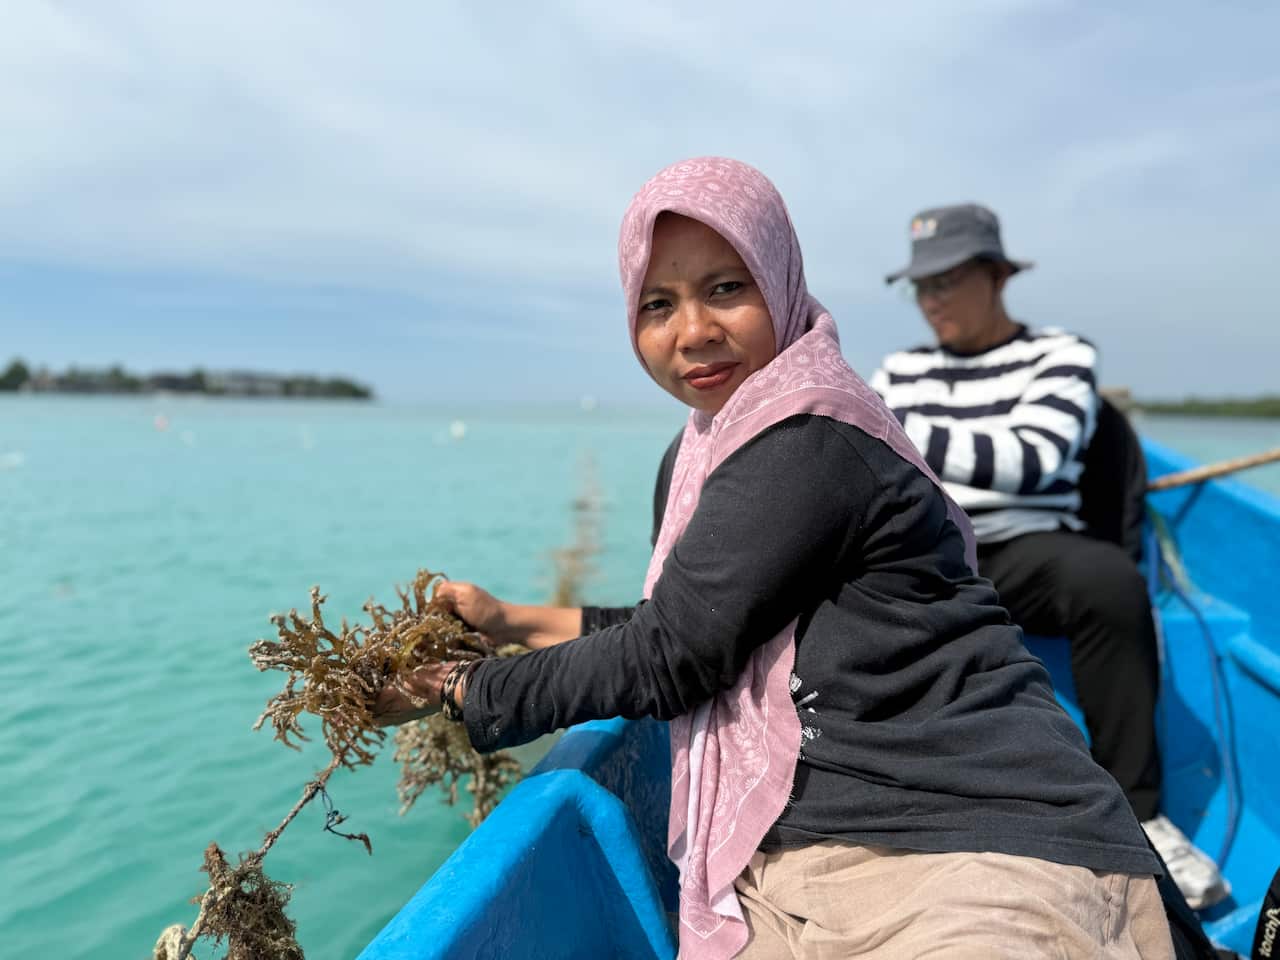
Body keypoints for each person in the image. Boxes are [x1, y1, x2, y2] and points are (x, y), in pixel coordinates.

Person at [375, 159, 1174, 959]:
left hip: (972, 826)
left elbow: (673, 658)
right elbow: (702, 623)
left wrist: (454, 689)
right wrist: (514, 621)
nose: (691, 331)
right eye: (658, 304)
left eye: (726, 289)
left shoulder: (803, 438)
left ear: (780, 280)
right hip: (816, 850)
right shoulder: (707, 445)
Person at [870, 203, 1228, 911]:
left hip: (1030, 548)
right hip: (931, 547)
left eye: (947, 280)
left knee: (1107, 580)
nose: (932, 299)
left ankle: (1143, 814)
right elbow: (870, 462)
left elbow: (1032, 461)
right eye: (921, 286)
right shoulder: (899, 369)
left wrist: (895, 431)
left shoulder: (1062, 354)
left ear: (998, 276)